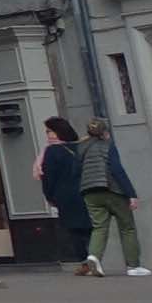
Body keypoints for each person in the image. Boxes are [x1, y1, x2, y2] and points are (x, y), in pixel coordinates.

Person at [79, 118, 147, 279]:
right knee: (127, 227)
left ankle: (94, 257)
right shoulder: (108, 146)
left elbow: (77, 171)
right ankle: (133, 266)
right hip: (111, 190)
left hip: (89, 191)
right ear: (104, 132)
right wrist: (131, 193)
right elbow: (117, 170)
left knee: (99, 227)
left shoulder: (81, 148)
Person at [34, 116, 97, 275]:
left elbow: (49, 176)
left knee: (75, 230)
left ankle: (85, 263)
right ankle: (94, 258)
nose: (48, 135)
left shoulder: (52, 151)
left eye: (50, 131)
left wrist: (49, 195)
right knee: (90, 227)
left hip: (65, 195)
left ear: (58, 132)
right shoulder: (81, 147)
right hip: (86, 191)